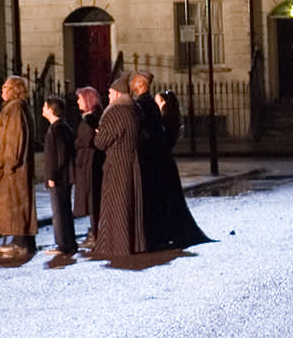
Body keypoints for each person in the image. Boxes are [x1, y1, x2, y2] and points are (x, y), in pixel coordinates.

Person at [132, 73, 210, 251]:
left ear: (164, 104)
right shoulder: (162, 118)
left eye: (159, 101)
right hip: (166, 165)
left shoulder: (163, 119)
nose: (157, 103)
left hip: (163, 165)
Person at [91, 81, 147, 258]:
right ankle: (134, 242)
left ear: (116, 93)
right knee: (130, 202)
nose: (107, 96)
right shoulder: (135, 110)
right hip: (133, 161)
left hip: (117, 163)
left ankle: (117, 244)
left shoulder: (115, 111)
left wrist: (99, 134)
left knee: (116, 204)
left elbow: (101, 142)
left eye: (109, 93)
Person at [0, 74, 37, 252]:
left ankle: (21, 241)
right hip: (9, 165)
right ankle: (22, 239)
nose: (2, 90)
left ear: (15, 90)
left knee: (16, 201)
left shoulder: (15, 108)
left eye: (6, 88)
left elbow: (14, 137)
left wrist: (9, 162)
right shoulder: (13, 107)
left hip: (12, 167)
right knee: (16, 201)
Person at [42, 95, 78, 255]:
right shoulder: (63, 127)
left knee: (59, 213)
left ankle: (63, 245)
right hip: (65, 177)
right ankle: (69, 243)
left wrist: (52, 176)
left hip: (59, 178)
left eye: (44, 107)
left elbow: (57, 156)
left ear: (50, 110)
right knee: (65, 210)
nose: (42, 110)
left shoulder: (55, 129)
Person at [73, 85, 104, 249]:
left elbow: (85, 140)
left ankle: (95, 233)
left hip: (89, 163)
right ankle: (94, 230)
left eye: (80, 98)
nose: (78, 101)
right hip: (88, 162)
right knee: (91, 199)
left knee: (92, 199)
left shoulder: (91, 119)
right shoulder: (91, 117)